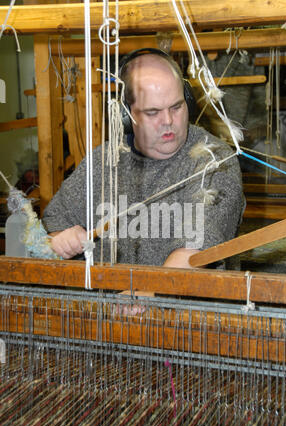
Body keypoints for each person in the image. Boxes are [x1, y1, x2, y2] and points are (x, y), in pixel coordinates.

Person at [43, 50, 245, 276]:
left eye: (176, 107)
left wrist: (147, 294)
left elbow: (191, 255)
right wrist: (60, 240)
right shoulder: (103, 162)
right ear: (126, 116)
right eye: (153, 112)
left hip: (184, 307)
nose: (168, 121)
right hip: (107, 305)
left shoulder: (213, 159)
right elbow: (53, 225)